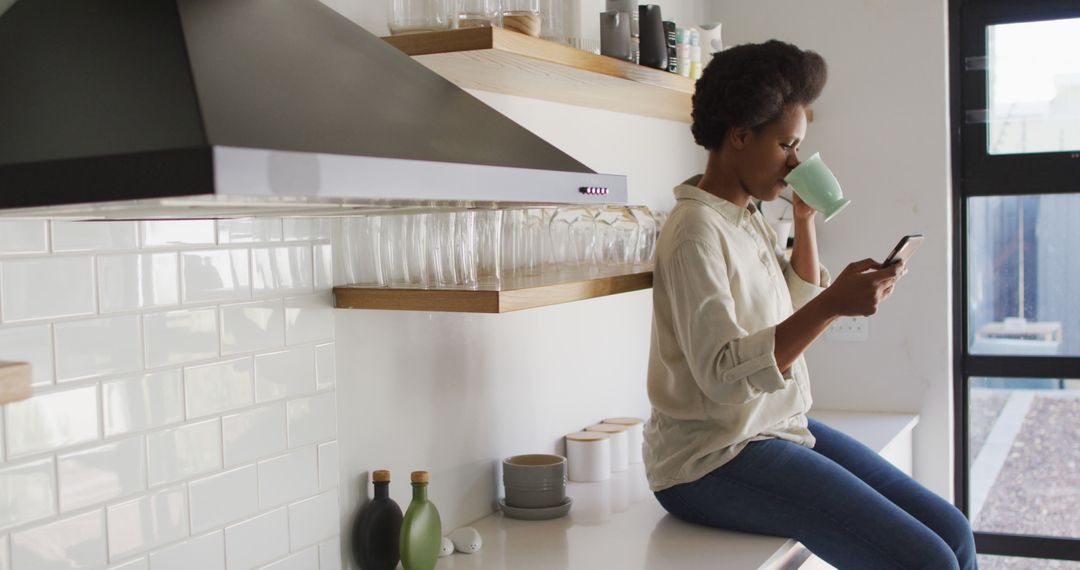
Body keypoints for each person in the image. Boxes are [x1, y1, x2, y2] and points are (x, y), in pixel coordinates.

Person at [643, 40, 977, 569]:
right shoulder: (694, 233)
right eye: (786, 146)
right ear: (739, 136)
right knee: (926, 562)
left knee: (954, 533)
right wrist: (831, 307)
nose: (795, 163)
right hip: (710, 460)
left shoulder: (747, 217)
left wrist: (803, 223)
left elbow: (787, 306)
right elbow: (723, 375)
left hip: (774, 426)